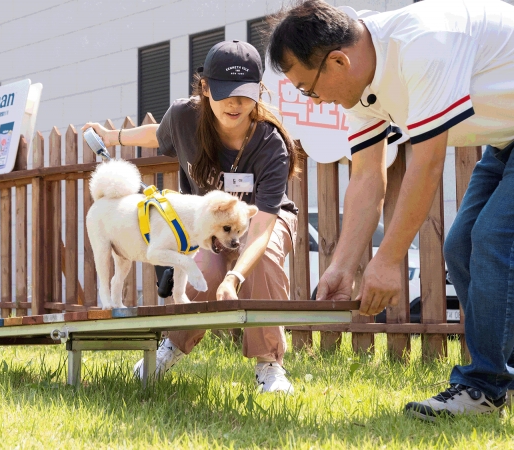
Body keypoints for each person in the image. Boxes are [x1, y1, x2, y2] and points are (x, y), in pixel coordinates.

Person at [268, 0, 514, 419]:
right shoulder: (359, 85)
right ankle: (493, 381)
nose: (314, 101)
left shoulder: (423, 43)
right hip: (505, 138)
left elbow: (428, 162)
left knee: (490, 238)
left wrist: (386, 261)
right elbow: (367, 176)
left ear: (338, 62)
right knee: (460, 245)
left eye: (308, 90)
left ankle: (483, 388)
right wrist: (343, 266)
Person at [83, 40, 301, 393]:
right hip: (210, 226)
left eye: (245, 94)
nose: (235, 103)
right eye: (225, 92)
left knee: (260, 261)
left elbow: (262, 229)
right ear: (205, 88)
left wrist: (236, 278)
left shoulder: (269, 143)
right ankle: (172, 346)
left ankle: (270, 365)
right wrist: (112, 136)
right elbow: (158, 136)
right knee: (205, 270)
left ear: (259, 91)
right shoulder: (185, 116)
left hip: (263, 221)